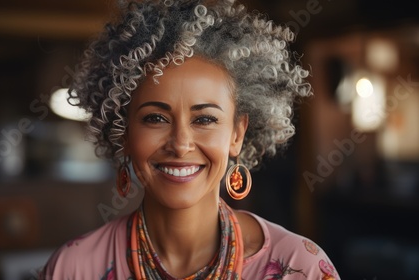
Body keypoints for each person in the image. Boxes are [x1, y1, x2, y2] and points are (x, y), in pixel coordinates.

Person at [39, 0, 340, 279]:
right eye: (155, 118)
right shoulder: (72, 268)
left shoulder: (300, 268)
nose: (181, 144)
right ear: (124, 133)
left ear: (237, 134)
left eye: (205, 119)